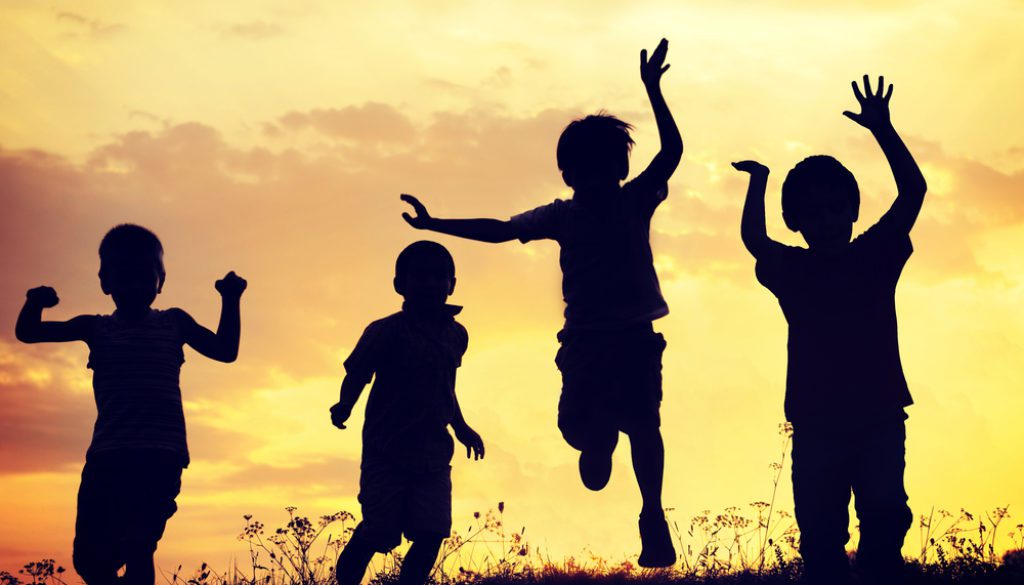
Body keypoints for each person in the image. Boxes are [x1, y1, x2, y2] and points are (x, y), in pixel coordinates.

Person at [398, 39, 682, 567]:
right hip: (584, 343)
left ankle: (652, 512)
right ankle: (597, 441)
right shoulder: (561, 216)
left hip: (635, 337)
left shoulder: (635, 199)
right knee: (577, 430)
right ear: (568, 175)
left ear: (618, 170)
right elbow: (501, 230)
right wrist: (435, 223)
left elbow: (670, 155)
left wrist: (654, 91)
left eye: (605, 168)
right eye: (584, 170)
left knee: (645, 422)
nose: (595, 179)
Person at [734, 76, 927, 584]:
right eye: (812, 214)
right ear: (796, 222)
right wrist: (759, 180)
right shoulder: (795, 272)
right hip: (817, 423)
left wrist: (883, 130)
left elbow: (913, 192)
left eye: (835, 210)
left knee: (885, 515)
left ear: (853, 211)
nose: (825, 221)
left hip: (879, 416)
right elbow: (755, 239)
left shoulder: (875, 255)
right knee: (820, 534)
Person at [14, 224, 247, 585]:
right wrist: (34, 302)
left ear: (161, 281)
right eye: (124, 276)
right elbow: (29, 333)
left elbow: (225, 351)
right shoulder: (95, 328)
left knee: (140, 545)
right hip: (108, 456)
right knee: (90, 561)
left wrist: (230, 299)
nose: (135, 284)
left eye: (145, 275)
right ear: (105, 281)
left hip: (160, 456)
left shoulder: (175, 323)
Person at [329, 241, 485, 585]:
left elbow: (447, 387)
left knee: (431, 532)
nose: (430, 284)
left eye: (438, 277)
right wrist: (345, 405)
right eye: (420, 277)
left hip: (432, 453)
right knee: (379, 531)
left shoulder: (456, 334)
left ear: (451, 284)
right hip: (387, 451)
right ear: (401, 284)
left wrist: (461, 427)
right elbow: (357, 374)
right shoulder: (385, 331)